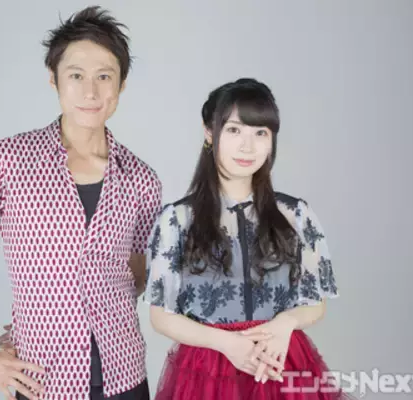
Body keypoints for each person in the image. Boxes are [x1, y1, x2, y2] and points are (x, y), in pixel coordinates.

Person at [0, 6, 161, 400]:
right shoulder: (6, 159)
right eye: (76, 75)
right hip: (44, 379)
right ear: (53, 78)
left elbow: (135, 276)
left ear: (121, 84)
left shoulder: (142, 179)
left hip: (125, 375)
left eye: (104, 76)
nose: (90, 92)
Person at [142, 78, 350, 399]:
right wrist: (227, 344)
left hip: (279, 359)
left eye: (260, 133)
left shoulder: (296, 215)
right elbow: (161, 316)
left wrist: (284, 323)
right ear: (209, 133)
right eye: (234, 130)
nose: (248, 147)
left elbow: (315, 302)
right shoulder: (177, 219)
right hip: (208, 369)